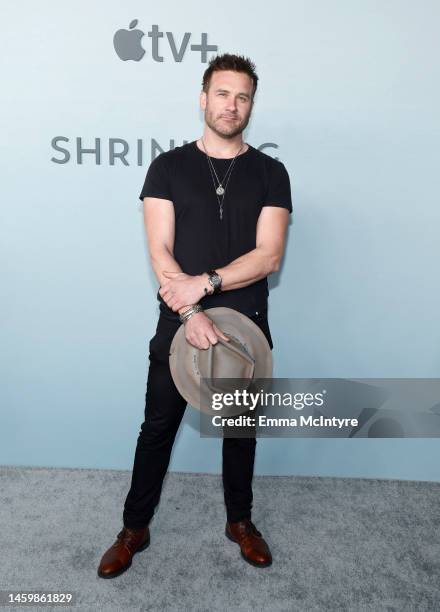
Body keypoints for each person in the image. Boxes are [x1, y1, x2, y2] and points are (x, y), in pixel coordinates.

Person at [98, 53, 292, 579]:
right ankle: (134, 527)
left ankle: (240, 522)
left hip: (246, 328)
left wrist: (205, 285)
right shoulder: (167, 167)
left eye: (243, 96)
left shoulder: (271, 173)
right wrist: (190, 311)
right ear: (203, 97)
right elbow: (160, 251)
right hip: (180, 323)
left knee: (240, 429)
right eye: (223, 93)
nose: (233, 105)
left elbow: (268, 256)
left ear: (252, 105)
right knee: (157, 428)